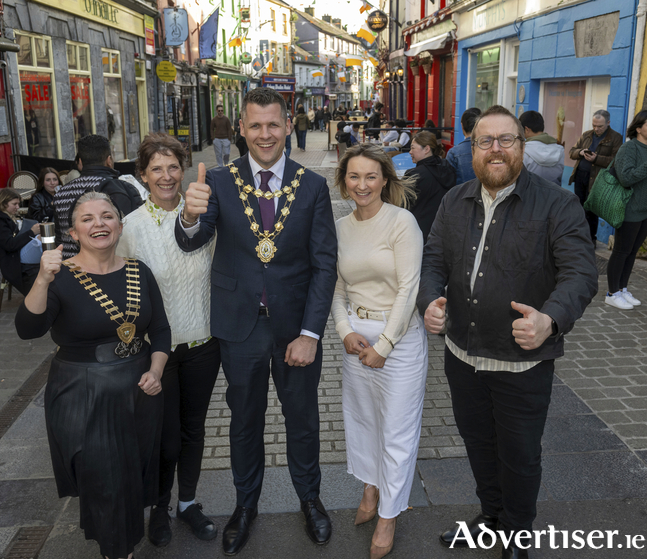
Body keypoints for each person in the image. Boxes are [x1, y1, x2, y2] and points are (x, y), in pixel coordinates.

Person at [418, 105, 598, 559]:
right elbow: (432, 261)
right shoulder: (454, 200)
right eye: (485, 141)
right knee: (478, 444)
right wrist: (429, 301)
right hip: (463, 356)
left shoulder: (558, 203)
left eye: (506, 140)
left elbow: (580, 274)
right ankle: (491, 516)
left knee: (520, 456)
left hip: (522, 364)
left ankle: (517, 532)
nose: (495, 149)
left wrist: (549, 319)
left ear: (522, 146)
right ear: (472, 148)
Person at [176, 87, 338, 555]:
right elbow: (193, 241)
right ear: (241, 130)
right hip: (239, 327)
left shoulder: (313, 187)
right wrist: (189, 215)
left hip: (295, 329)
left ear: (289, 126)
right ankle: (245, 506)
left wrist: (311, 333)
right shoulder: (220, 183)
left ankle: (310, 500)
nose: (265, 134)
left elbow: (324, 265)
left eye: (273, 125)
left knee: (303, 420)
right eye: (255, 125)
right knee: (244, 422)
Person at [15, 191, 171, 559]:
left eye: (107, 216)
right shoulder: (59, 276)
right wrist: (41, 278)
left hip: (139, 390)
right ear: (72, 232)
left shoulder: (138, 270)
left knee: (132, 476)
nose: (99, 224)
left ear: (120, 225)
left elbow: (161, 329)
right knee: (105, 482)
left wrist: (156, 368)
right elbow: (27, 329)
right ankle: (117, 552)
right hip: (84, 394)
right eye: (87, 219)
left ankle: (120, 546)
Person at [116, 133, 221, 546]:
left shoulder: (207, 218)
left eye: (173, 167)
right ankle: (159, 506)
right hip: (155, 353)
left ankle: (188, 503)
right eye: (156, 169)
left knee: (194, 430)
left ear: (184, 169)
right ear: (142, 175)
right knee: (165, 435)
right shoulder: (131, 228)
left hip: (203, 345)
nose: (166, 176)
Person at [331, 144, 426, 559]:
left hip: (399, 341)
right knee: (364, 422)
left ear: (385, 180)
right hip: (356, 338)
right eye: (354, 176)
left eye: (371, 176)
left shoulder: (402, 222)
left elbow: (410, 289)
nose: (363, 184)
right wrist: (343, 331)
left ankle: (388, 515)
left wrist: (385, 344)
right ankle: (370, 488)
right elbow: (335, 286)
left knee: (397, 433)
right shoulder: (339, 227)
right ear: (343, 181)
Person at [53, 134, 143, 259]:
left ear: (80, 162)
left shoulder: (61, 194)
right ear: (109, 160)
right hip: (113, 268)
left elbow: (59, 240)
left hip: (70, 269)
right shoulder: (122, 188)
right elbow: (138, 234)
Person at [605, 110, 647, 310]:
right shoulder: (629, 148)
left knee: (631, 252)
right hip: (629, 209)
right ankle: (611, 293)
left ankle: (622, 288)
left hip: (645, 210)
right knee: (621, 251)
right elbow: (626, 178)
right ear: (638, 128)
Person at [569, 109, 623, 246]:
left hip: (598, 179)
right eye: (594, 125)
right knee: (579, 208)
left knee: (591, 210)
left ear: (608, 123)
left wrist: (596, 158)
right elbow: (571, 152)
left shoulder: (616, 138)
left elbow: (616, 161)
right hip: (581, 175)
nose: (596, 129)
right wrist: (580, 152)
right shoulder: (586, 135)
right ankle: (578, 237)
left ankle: (590, 239)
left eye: (600, 126)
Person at [0, 188, 41, 295]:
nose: (18, 207)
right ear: (3, 204)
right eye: (14, 204)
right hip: (13, 260)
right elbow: (9, 245)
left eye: (18, 204)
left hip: (18, 253)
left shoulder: (6, 216)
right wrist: (31, 232)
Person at [405, 131, 457, 243]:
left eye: (413, 148)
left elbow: (402, 205)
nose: (410, 152)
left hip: (418, 234)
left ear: (427, 149)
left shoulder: (413, 175)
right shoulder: (448, 169)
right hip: (443, 233)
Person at [518, 111, 564, 186]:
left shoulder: (523, 150)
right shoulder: (559, 149)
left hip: (529, 195)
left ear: (526, 129)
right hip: (554, 195)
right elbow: (559, 178)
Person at [446, 108, 481, 185]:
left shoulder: (454, 153)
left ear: (462, 126)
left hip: (462, 195)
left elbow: (448, 184)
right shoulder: (492, 148)